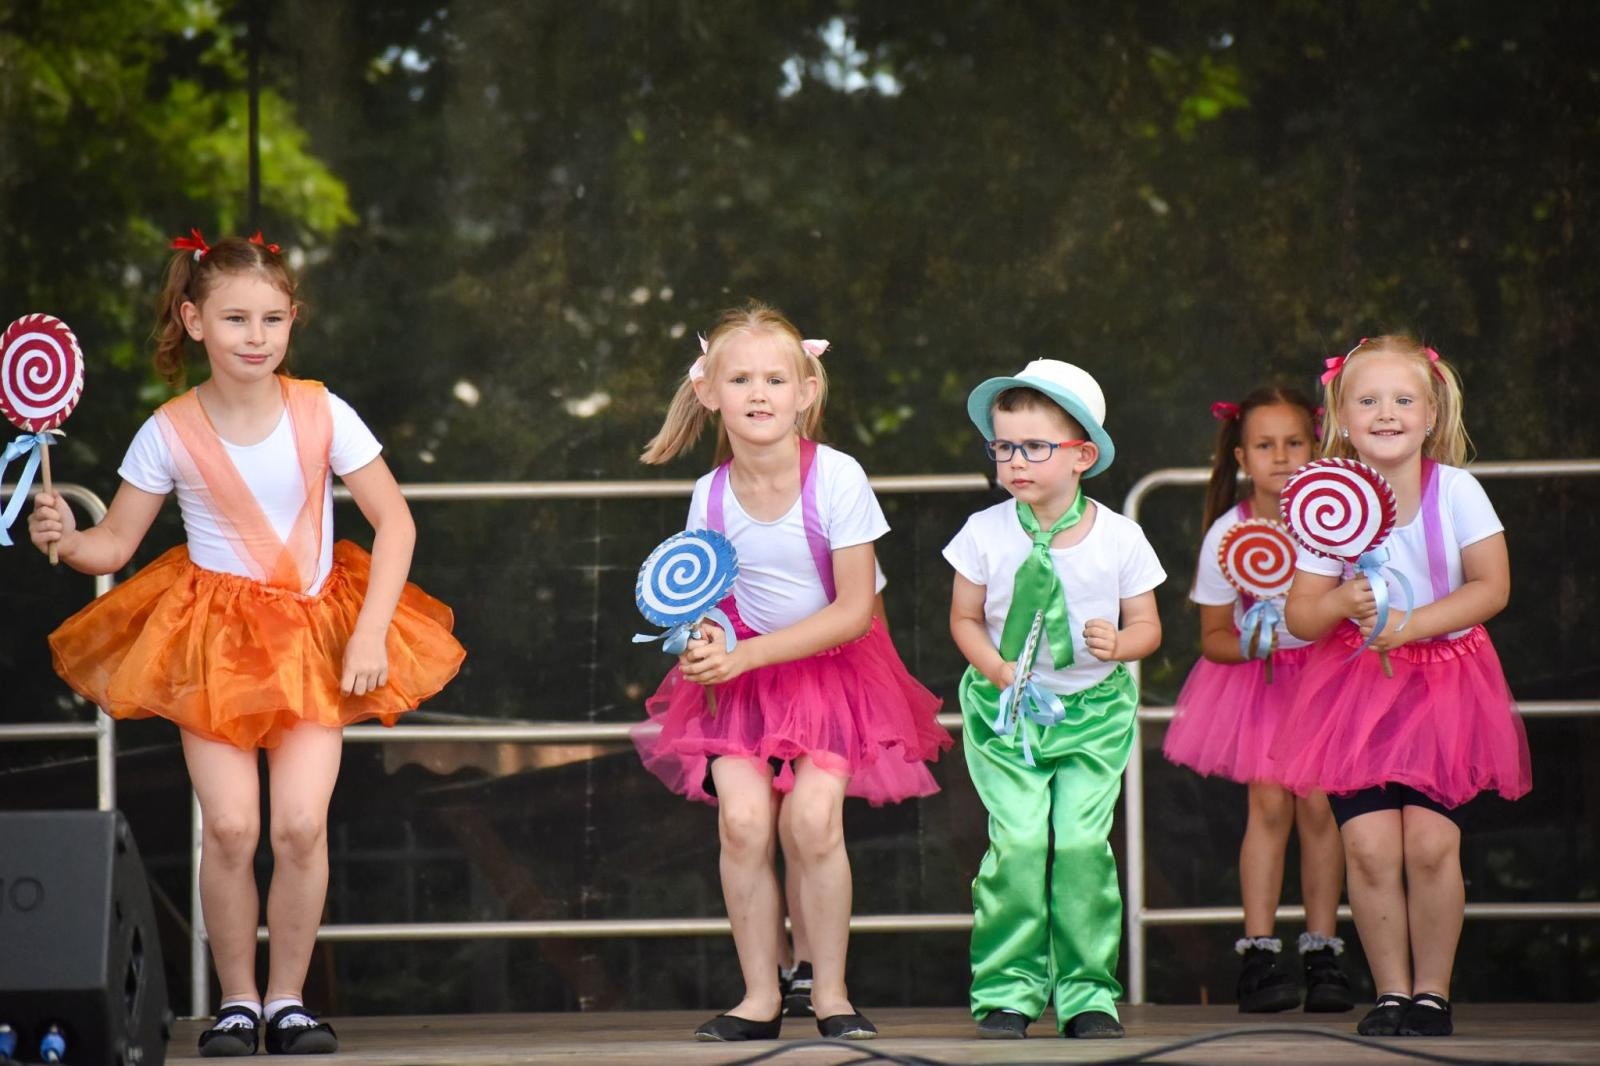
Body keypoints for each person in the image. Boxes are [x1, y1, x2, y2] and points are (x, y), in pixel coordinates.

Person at [29, 231, 464, 1057]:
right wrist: (64, 533)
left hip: (313, 640)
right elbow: (114, 546)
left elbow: (396, 521)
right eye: (234, 319)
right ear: (193, 321)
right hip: (215, 646)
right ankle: (237, 1001)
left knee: (300, 825)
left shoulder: (324, 412)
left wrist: (370, 627)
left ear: (293, 320)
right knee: (230, 829)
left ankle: (288, 1000)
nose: (254, 336)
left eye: (271, 318)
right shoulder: (168, 430)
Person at [632, 302, 951, 1042]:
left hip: (834, 672)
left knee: (811, 820)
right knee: (743, 823)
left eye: (776, 378)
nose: (759, 392)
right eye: (739, 377)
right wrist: (703, 643)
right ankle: (759, 997)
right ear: (709, 391)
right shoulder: (708, 495)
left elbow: (852, 614)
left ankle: (830, 993)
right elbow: (703, 600)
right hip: (740, 683)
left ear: (806, 391)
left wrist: (744, 652)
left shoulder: (838, 477)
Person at [1275, 335, 1531, 1037]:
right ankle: (1389, 991)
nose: (1386, 413)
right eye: (1368, 400)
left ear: (1429, 411)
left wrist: (1413, 623)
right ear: (1342, 415)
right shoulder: (1327, 501)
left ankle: (1431, 993)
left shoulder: (1459, 491)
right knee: (1369, 847)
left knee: (1427, 845)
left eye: (1402, 399)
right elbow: (1300, 614)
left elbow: (1492, 587)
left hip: (1446, 688)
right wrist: (1340, 604)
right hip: (1357, 693)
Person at [944, 359, 1164, 1040]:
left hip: (1091, 715)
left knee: (1077, 844)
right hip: (1007, 712)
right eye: (1003, 446)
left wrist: (1119, 645)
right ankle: (1008, 988)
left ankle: (1086, 992)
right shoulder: (984, 532)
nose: (1015, 461)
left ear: (1082, 457)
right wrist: (999, 670)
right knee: (1014, 841)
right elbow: (964, 620)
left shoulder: (1121, 536)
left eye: (1034, 447)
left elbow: (1150, 627)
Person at [1161, 388, 1352, 1013]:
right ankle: (1261, 953)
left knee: (1321, 808)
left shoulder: (1342, 523)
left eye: (1294, 442)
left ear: (1317, 444)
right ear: (1242, 455)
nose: (1281, 457)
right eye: (1265, 445)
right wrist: (1255, 641)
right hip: (1261, 685)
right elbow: (1213, 639)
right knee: (1269, 806)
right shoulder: (1229, 535)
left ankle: (1323, 950)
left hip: (1328, 681)